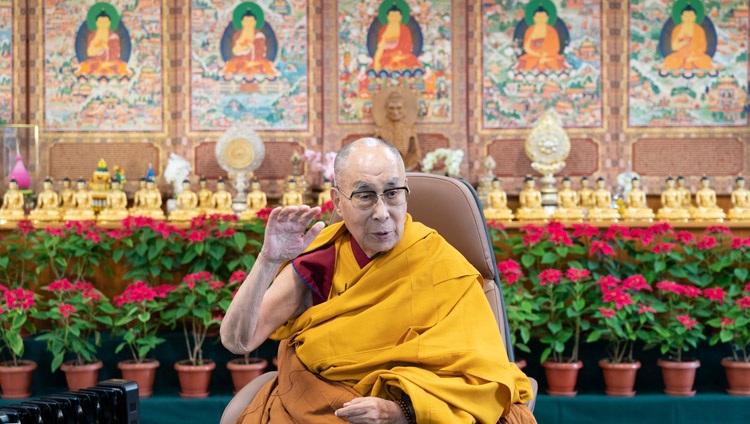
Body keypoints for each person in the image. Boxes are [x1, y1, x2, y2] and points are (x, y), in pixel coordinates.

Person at [221, 138, 535, 423]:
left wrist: (401, 412)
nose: (382, 212)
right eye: (365, 196)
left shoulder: (442, 264)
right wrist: (268, 261)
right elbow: (238, 341)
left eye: (393, 193)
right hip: (321, 406)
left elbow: (484, 379)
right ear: (338, 202)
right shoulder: (322, 258)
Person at [223, 4, 277, 76]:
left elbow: (261, 52)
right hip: (240, 61)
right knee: (230, 65)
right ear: (242, 22)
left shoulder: (259, 35)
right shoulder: (237, 35)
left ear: (255, 22)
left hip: (256, 61)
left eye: (251, 21)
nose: (248, 23)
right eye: (246, 21)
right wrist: (242, 45)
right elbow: (234, 51)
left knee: (267, 65)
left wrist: (252, 47)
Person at [76, 5, 131, 77]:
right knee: (87, 66)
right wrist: (99, 46)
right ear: (96, 23)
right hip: (94, 62)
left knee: (118, 66)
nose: (103, 24)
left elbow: (116, 54)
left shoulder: (113, 36)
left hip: (110, 63)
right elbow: (89, 53)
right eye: (100, 22)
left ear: (109, 23)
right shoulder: (92, 36)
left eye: (105, 22)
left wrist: (107, 47)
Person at [374, 90, 421, 171]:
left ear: (405, 109)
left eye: (399, 108)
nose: (395, 112)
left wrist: (407, 170)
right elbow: (375, 155)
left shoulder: (410, 130)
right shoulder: (380, 131)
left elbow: (416, 156)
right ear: (386, 109)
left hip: (407, 170)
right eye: (391, 108)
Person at [659, 4, 715, 72]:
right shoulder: (677, 29)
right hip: (680, 56)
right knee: (671, 61)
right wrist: (684, 42)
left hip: (696, 55)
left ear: (695, 17)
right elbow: (674, 47)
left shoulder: (699, 30)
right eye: (686, 16)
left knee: (704, 61)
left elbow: (703, 47)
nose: (688, 18)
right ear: (682, 17)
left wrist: (692, 56)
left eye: (691, 16)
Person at [371, 3, 421, 72]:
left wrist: (400, 56)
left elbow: (408, 48)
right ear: (387, 17)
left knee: (412, 59)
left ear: (400, 17)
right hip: (386, 56)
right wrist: (376, 61)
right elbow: (380, 48)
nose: (394, 18)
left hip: (401, 56)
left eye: (396, 15)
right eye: (391, 16)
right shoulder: (383, 30)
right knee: (376, 62)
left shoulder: (405, 30)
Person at [516, 6, 566, 72]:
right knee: (525, 63)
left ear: (547, 18)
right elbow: (526, 47)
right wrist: (537, 54)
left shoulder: (551, 30)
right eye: (538, 17)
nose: (540, 19)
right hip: (532, 55)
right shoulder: (530, 30)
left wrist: (544, 55)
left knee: (556, 63)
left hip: (549, 56)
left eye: (543, 17)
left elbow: (556, 47)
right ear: (534, 18)